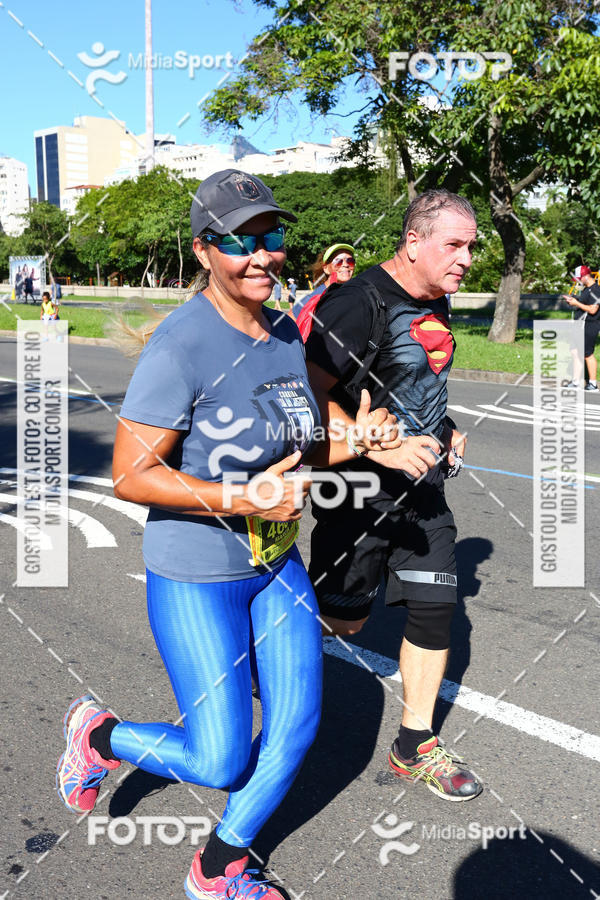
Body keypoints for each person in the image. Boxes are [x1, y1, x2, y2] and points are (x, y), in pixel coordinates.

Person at [56, 168, 399, 899]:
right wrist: (245, 496)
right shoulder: (181, 346)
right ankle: (100, 735)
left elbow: (296, 445)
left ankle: (220, 866)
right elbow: (131, 475)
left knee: (296, 725)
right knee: (218, 759)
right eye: (240, 243)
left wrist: (362, 440)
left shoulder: (280, 329)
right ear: (203, 249)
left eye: (271, 238)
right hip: (196, 571)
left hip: (274, 563)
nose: (262, 256)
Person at [305, 188, 483, 802]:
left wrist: (445, 426)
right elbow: (301, 398)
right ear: (413, 241)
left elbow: (415, 379)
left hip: (423, 496)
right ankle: (258, 661)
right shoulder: (358, 302)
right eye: (453, 245)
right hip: (355, 491)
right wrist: (376, 447)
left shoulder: (438, 297)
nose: (465, 259)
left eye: (471, 248)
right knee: (342, 620)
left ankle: (414, 745)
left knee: (437, 610)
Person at [292, 242, 356, 320]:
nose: (346, 265)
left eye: (350, 261)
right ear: (326, 268)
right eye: (338, 262)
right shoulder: (316, 297)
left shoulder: (353, 293)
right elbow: (288, 321)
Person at [562, 264, 600, 392]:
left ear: (585, 276)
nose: (578, 281)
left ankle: (593, 383)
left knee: (587, 354)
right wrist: (574, 300)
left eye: (579, 278)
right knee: (574, 351)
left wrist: (576, 303)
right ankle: (575, 382)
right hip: (580, 324)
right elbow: (584, 302)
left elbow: (593, 309)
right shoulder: (586, 289)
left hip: (590, 325)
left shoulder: (596, 290)